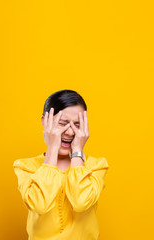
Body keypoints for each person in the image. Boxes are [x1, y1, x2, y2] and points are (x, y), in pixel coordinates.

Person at [13, 89, 109, 240]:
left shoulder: (96, 166)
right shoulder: (26, 167)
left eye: (77, 125)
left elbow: (81, 202)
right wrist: (52, 148)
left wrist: (77, 150)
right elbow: (39, 204)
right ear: (45, 121)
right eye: (62, 123)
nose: (70, 132)